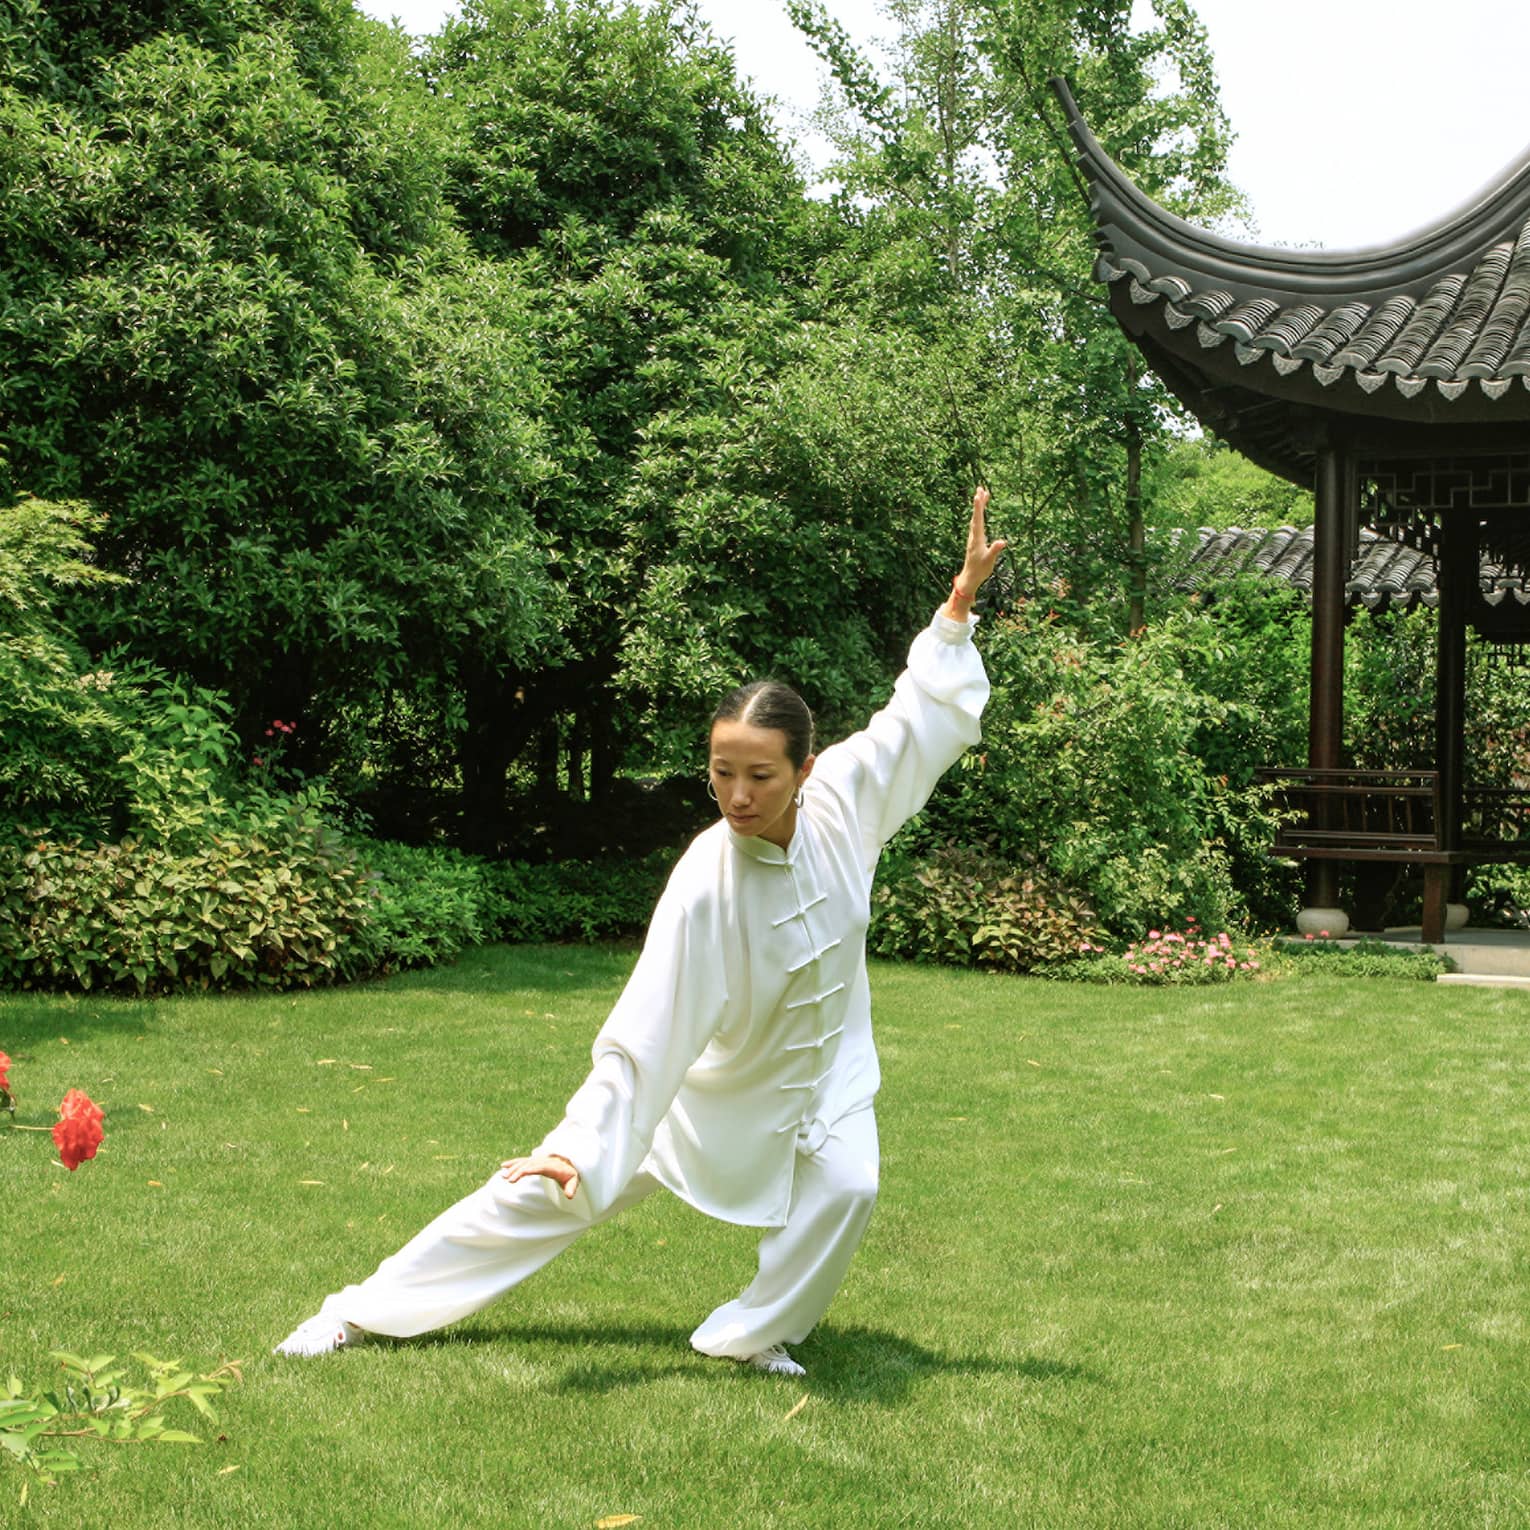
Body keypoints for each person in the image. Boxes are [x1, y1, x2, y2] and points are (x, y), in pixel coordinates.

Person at [276, 487, 1006, 1376]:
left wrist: (958, 609)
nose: (738, 796)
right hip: (703, 1099)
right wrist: (577, 1147)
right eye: (721, 773)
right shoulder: (707, 879)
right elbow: (647, 1033)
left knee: (851, 1185)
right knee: (557, 1195)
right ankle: (358, 1314)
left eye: (760, 777)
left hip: (829, 1080)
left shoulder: (847, 797)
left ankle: (748, 1334)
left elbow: (914, 721)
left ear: (804, 769)